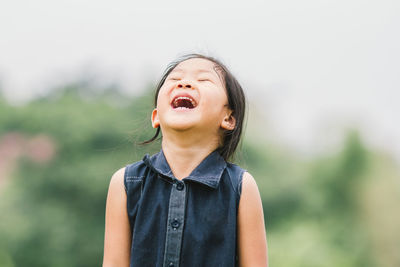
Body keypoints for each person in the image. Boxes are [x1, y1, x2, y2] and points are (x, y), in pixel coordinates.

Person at [102, 54, 268, 267]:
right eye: (174, 79)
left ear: (228, 118)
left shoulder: (241, 187)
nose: (184, 82)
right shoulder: (126, 183)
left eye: (203, 80)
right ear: (156, 117)